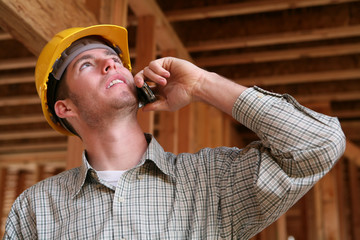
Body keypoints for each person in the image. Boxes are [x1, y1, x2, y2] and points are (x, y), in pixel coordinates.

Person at [4, 24, 345, 239]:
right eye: (87, 64)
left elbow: (320, 144)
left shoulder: (209, 181)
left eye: (114, 58)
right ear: (66, 108)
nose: (112, 63)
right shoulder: (37, 209)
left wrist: (202, 84)